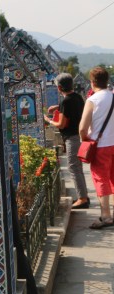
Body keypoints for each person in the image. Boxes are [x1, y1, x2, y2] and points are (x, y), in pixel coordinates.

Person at [44, 72, 89, 209]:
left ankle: (82, 199)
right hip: (78, 136)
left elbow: (62, 124)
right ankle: (83, 196)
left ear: (59, 88)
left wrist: (49, 121)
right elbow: (71, 106)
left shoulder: (66, 101)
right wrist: (58, 107)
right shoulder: (78, 97)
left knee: (73, 167)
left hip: (71, 138)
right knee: (77, 168)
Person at [79, 67, 114, 229]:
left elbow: (82, 128)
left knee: (101, 179)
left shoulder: (92, 100)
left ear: (92, 82)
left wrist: (85, 139)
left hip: (100, 146)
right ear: (106, 81)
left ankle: (106, 216)